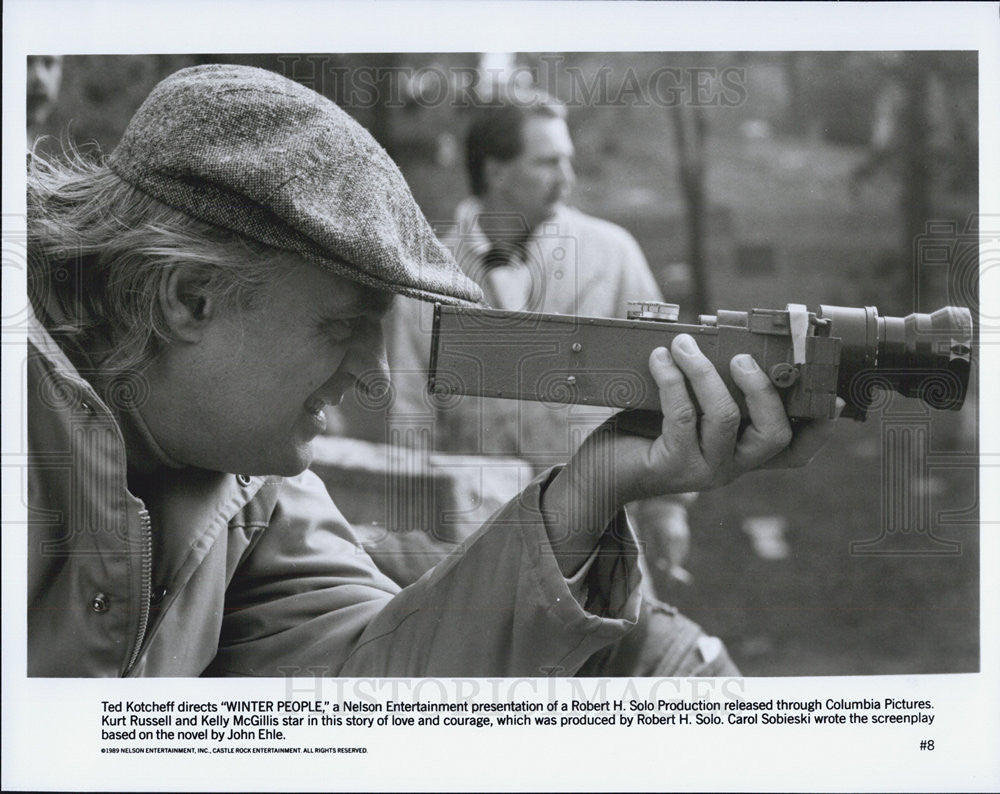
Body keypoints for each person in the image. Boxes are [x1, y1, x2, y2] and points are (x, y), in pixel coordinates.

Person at [26, 63, 834, 677]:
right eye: (341, 326)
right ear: (189, 301)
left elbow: (378, 679)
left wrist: (590, 490)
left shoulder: (257, 484)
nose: (372, 376)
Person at [384, 88, 696, 599]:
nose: (567, 179)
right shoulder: (427, 277)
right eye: (548, 162)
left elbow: (664, 386)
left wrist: (668, 507)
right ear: (496, 171)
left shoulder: (612, 254)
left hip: (601, 537)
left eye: (568, 160)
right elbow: (411, 420)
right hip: (475, 544)